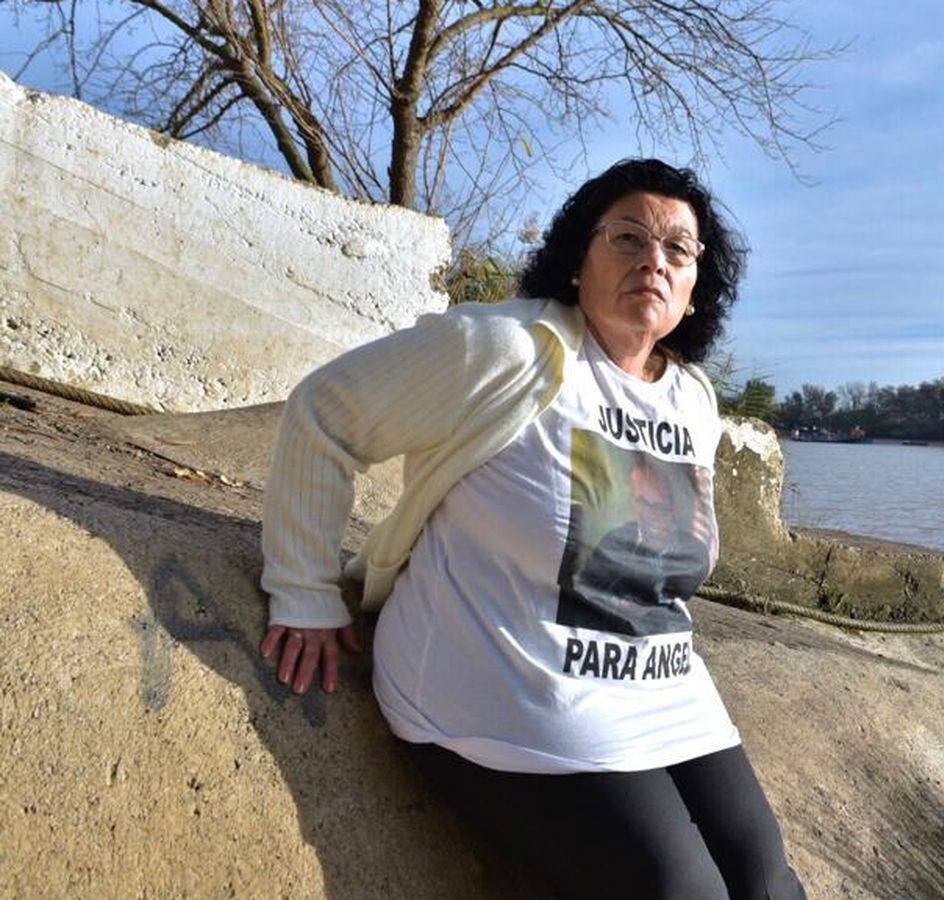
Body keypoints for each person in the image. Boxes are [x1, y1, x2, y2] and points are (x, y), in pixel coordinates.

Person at [258, 158, 807, 900]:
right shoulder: (505, 349)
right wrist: (304, 592)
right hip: (508, 679)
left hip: (660, 685)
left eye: (678, 249)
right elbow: (325, 411)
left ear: (694, 286)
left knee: (767, 880)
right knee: (682, 889)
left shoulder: (692, 398)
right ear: (579, 256)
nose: (654, 259)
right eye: (628, 237)